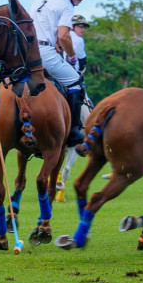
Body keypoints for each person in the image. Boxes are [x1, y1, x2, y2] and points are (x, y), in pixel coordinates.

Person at [29, 0, 96, 146]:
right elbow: (64, 37)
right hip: (44, 53)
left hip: (25, 51)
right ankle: (73, 131)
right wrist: (72, 58)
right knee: (76, 83)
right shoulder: (67, 6)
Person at [56, 14, 92, 202]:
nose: (82, 28)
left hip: (54, 75)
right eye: (79, 25)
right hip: (71, 81)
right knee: (90, 121)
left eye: (83, 26)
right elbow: (82, 64)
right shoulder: (76, 40)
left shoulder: (56, 34)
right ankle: (78, 134)